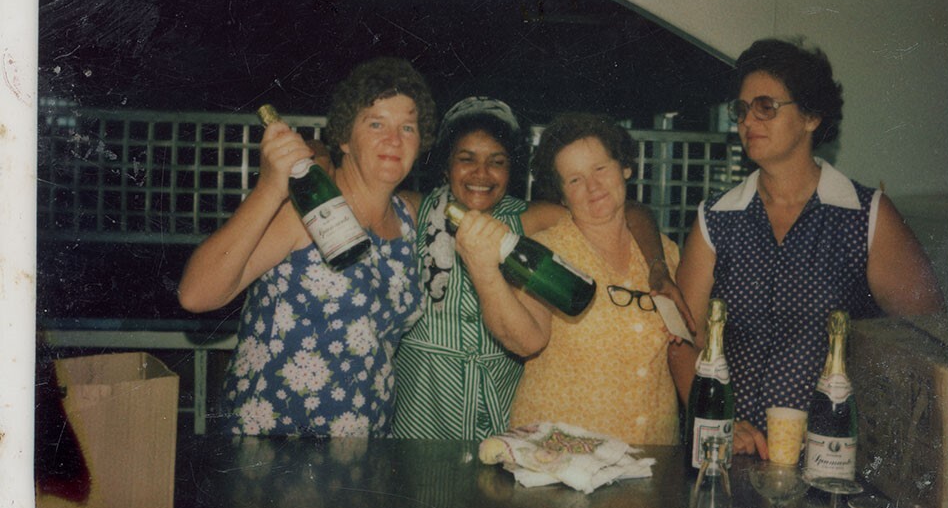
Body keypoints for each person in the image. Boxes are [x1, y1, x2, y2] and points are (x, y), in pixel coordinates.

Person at [667, 38, 944, 459]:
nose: (748, 122)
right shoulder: (717, 218)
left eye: (765, 106)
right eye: (742, 111)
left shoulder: (866, 216)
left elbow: (929, 343)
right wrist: (716, 419)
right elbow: (684, 337)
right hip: (733, 453)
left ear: (812, 116)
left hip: (831, 458)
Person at [391, 98, 692, 443]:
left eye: (497, 162)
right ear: (446, 165)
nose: (481, 173)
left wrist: (657, 267)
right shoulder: (418, 208)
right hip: (426, 399)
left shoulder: (528, 219)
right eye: (466, 159)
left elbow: (621, 212)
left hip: (496, 399)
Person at [177, 57, 436, 437]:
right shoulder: (308, 211)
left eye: (407, 127)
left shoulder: (408, 218)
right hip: (274, 444)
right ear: (345, 138)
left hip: (363, 446)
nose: (394, 140)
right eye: (376, 123)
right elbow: (196, 295)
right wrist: (269, 188)